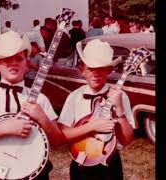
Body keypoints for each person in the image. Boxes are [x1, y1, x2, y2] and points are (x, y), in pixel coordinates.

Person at [0, 31, 64, 179]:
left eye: (19, 59)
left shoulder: (40, 99)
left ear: (26, 64)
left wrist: (42, 118)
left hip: (35, 173)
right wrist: (6, 128)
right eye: (7, 59)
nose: (13, 63)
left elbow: (58, 140)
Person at [58, 39, 135, 180]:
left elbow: (127, 140)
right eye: (90, 68)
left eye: (101, 68)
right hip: (80, 159)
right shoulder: (75, 97)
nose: (96, 73)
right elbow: (63, 135)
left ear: (109, 70)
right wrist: (92, 126)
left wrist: (119, 110)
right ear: (82, 70)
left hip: (109, 160)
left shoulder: (120, 96)